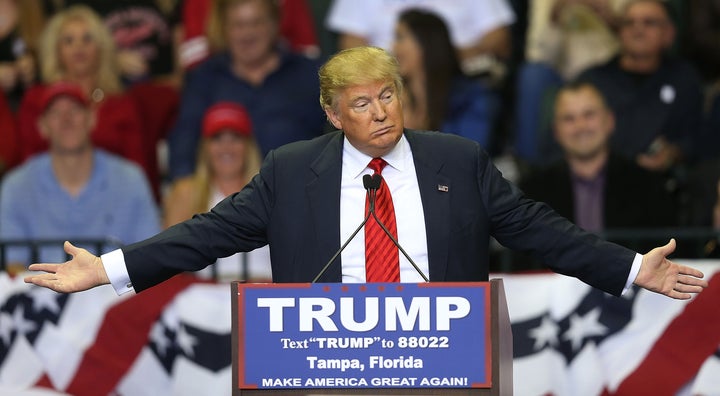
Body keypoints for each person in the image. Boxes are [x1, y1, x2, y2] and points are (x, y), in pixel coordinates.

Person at [24, 47, 706, 303]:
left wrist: (628, 268)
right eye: (361, 103)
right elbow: (205, 234)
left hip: (440, 366)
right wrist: (109, 270)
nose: (380, 113)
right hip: (325, 371)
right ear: (332, 114)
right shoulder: (291, 173)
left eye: (389, 95)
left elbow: (542, 231)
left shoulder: (457, 162)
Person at [1, 82, 160, 275]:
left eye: (75, 109)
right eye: (55, 113)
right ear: (41, 126)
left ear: (92, 119)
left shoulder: (130, 179)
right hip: (41, 296)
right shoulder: (16, 186)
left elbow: (150, 259)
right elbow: (12, 266)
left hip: (116, 295)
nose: (66, 119)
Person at [166, 0, 326, 181]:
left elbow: (336, 136)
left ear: (274, 25)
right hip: (226, 198)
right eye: (238, 25)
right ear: (224, 29)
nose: (247, 34)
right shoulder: (204, 78)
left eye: (256, 23)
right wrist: (183, 185)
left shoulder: (310, 75)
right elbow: (184, 143)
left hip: (299, 189)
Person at [519, 82, 675, 262]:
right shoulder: (532, 191)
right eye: (569, 118)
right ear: (556, 131)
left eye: (589, 115)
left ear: (610, 121)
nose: (580, 126)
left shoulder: (648, 186)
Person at [17, 6, 151, 189]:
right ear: (56, 51)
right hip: (46, 194)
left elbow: (137, 167)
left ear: (101, 48)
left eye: (87, 39)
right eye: (69, 41)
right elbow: (27, 163)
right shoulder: (37, 99)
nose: (78, 47)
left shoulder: (122, 104)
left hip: (112, 196)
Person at [577, 0, 704, 172]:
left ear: (669, 33)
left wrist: (673, 153)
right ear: (619, 32)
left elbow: (695, 139)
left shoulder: (684, 79)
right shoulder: (593, 80)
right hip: (599, 180)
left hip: (661, 183)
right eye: (629, 23)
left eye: (649, 22)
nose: (638, 30)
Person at [163, 101, 270, 281]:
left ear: (248, 146)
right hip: (203, 296)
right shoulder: (187, 192)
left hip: (262, 292)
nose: (226, 148)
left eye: (235, 138)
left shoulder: (269, 192)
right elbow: (167, 257)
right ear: (205, 147)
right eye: (217, 138)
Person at [392, 9, 499, 147]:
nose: (394, 47)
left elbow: (470, 156)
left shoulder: (471, 98)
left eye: (400, 38)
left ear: (425, 43)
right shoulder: (393, 97)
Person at [325, 0, 515, 78]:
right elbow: (349, 44)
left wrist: (442, 55)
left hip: (458, 73)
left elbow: (499, 39)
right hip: (386, 75)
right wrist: (392, 66)